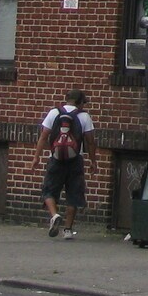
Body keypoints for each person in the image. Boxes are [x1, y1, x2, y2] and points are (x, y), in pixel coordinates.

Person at [35, 90, 94, 238]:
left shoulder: (54, 113)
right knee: (73, 193)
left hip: (55, 158)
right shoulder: (84, 116)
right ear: (80, 102)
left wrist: (36, 158)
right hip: (76, 159)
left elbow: (43, 137)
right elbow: (90, 141)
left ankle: (54, 215)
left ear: (66, 99)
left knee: (49, 190)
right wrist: (94, 161)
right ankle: (67, 230)